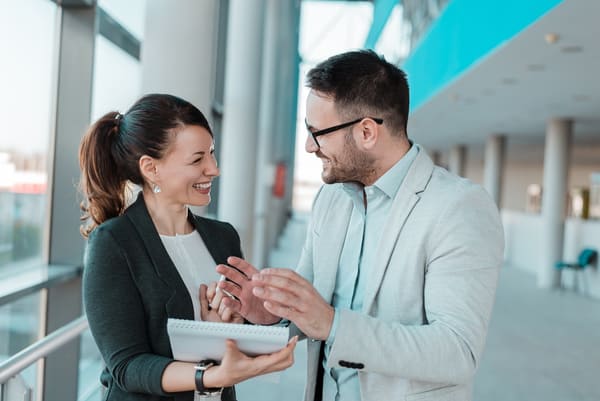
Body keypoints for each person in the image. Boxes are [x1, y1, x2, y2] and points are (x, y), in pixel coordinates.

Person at [216, 50, 504, 401]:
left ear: (367, 132)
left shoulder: (458, 207)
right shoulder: (331, 200)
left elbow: (458, 352)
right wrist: (270, 313)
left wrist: (334, 324)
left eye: (316, 132)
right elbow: (313, 311)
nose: (309, 146)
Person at [79, 93, 297, 401]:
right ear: (151, 169)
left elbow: (233, 343)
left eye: (211, 153)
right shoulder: (114, 243)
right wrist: (209, 376)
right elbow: (127, 366)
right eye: (197, 159)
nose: (213, 169)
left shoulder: (223, 237)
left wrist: (239, 325)